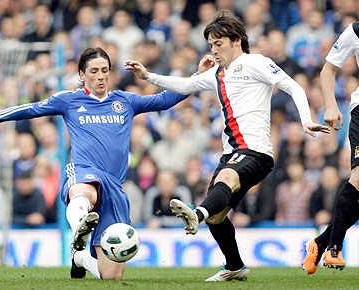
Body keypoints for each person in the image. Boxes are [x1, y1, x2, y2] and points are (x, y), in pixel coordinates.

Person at [125, 10, 330, 282]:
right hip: (231, 153)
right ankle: (234, 266)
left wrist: (306, 120)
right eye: (211, 45)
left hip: (256, 152)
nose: (214, 50)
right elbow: (185, 85)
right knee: (217, 216)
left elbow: (294, 87)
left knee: (224, 181)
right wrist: (148, 75)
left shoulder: (256, 62)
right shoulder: (217, 74)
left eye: (218, 44)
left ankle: (195, 214)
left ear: (237, 41)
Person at [0, 47, 207, 280]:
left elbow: (165, 100)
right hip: (85, 170)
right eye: (94, 71)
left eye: (105, 70)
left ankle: (79, 256)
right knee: (83, 193)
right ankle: (80, 227)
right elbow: (33, 109)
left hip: (115, 187)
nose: (100, 76)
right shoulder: (69, 100)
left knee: (110, 276)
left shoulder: (125, 101)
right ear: (82, 74)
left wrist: (198, 76)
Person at [302, 21, 359, 274]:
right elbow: (328, 70)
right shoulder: (356, 31)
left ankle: (320, 242)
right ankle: (334, 246)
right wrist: (331, 105)